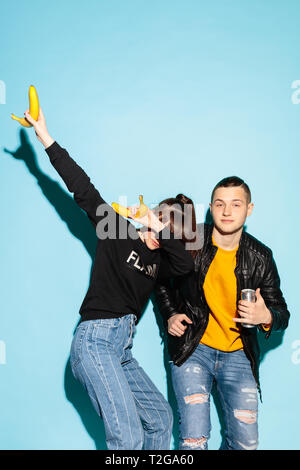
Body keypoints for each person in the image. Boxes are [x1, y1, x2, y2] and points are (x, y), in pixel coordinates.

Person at [24, 107, 195, 450]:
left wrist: (163, 230)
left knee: (160, 417)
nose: (162, 223)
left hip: (121, 351)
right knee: (127, 437)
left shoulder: (161, 263)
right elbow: (83, 189)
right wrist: (44, 136)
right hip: (95, 342)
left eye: (171, 222)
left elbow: (185, 266)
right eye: (161, 215)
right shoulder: (118, 232)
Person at [155, 176, 290, 450]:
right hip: (194, 348)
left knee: (246, 444)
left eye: (236, 204)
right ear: (212, 207)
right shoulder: (192, 241)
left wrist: (265, 316)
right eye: (220, 204)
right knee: (193, 440)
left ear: (249, 209)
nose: (227, 212)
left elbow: (281, 313)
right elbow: (160, 278)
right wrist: (169, 314)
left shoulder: (261, 257)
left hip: (239, 354)